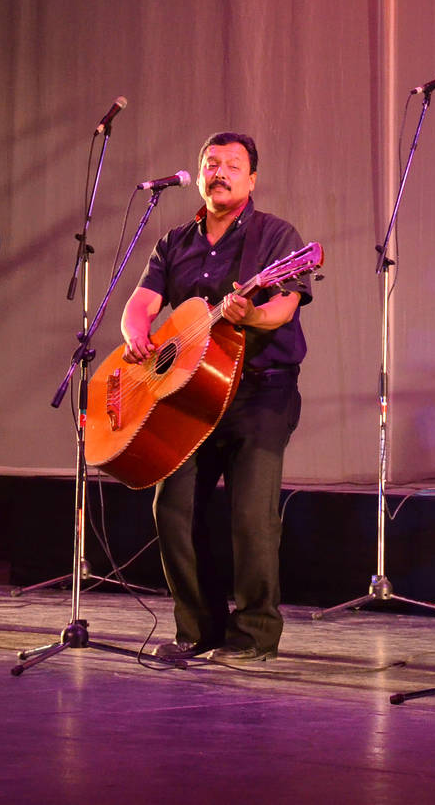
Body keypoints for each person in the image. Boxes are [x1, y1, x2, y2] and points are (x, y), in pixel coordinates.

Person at [121, 132, 312, 664]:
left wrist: (249, 313)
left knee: (251, 517)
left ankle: (253, 635)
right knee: (173, 509)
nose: (219, 172)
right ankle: (198, 630)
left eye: (232, 165)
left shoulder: (277, 236)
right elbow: (142, 303)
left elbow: (282, 308)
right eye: (211, 163)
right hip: (191, 393)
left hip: (260, 391)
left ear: (252, 179)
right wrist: (136, 333)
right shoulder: (174, 240)